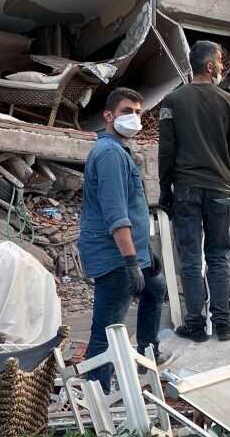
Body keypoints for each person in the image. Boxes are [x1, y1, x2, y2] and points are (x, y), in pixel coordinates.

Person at [80, 88, 166, 387]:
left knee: (155, 289)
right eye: (127, 112)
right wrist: (131, 262)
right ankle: (97, 395)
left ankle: (147, 353)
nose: (134, 118)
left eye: (138, 113)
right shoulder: (109, 155)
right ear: (108, 116)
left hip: (130, 252)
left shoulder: (118, 151)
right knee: (107, 329)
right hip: (115, 256)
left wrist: (144, 254)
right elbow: (117, 216)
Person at [159, 41, 230, 341]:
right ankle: (222, 323)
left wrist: (164, 189)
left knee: (191, 258)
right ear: (209, 66)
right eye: (220, 61)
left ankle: (195, 324)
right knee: (219, 256)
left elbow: (166, 150)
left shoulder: (172, 101)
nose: (222, 66)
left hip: (186, 189)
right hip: (220, 188)